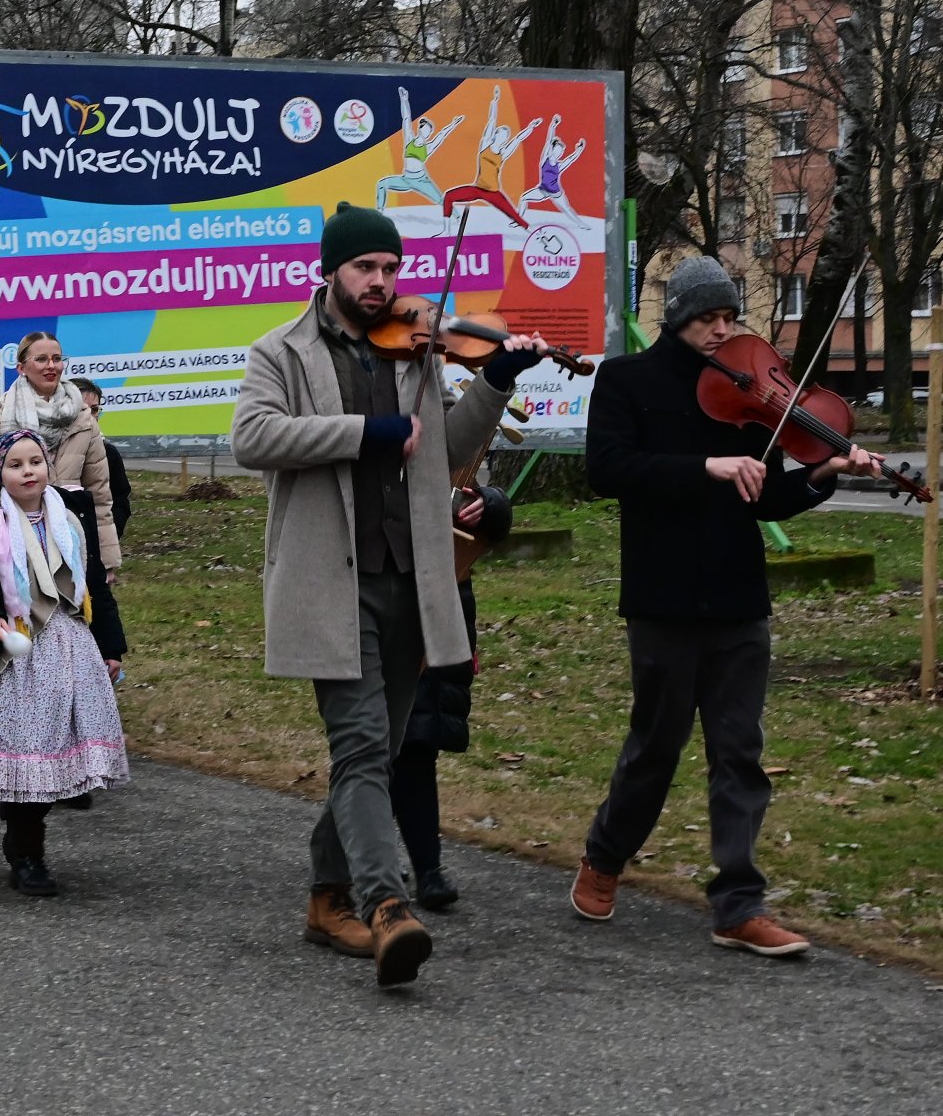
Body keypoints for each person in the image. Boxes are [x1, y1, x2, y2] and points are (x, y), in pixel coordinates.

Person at [229, 203, 547, 987]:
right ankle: (386, 905)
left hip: (413, 579)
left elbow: (446, 449)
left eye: (391, 268)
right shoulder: (282, 351)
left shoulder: (416, 351)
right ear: (330, 270)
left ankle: (325, 894)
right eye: (366, 268)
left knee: (379, 748)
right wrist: (361, 433)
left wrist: (496, 379)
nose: (382, 283)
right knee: (364, 743)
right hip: (327, 583)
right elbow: (253, 438)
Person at [573, 255, 881, 958]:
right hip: (663, 595)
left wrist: (822, 475)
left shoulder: (750, 397)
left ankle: (738, 902)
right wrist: (703, 468)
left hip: (739, 597)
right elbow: (607, 470)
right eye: (709, 318)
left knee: (740, 751)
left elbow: (768, 495)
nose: (722, 330)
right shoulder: (627, 381)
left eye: (729, 318)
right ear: (678, 317)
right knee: (656, 744)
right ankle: (605, 854)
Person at [0, 430, 128, 896]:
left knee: (55, 759)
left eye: (35, 462)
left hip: (68, 646)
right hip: (13, 656)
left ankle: (24, 835)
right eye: (16, 464)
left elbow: (93, 584)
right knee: (26, 760)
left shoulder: (71, 516)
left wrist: (111, 646)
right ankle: (27, 853)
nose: (28, 471)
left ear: (48, 466)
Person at [390, 485, 513, 910]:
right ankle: (379, 858)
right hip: (385, 589)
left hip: (446, 598)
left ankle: (426, 869)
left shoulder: (455, 437)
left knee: (419, 741)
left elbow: (495, 517)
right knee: (377, 742)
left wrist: (490, 506)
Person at [0, 333, 121, 575]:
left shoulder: (84, 421)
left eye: (57, 358)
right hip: (15, 545)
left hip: (71, 541)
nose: (51, 366)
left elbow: (99, 495)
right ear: (21, 367)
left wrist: (107, 561)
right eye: (41, 359)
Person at [441, 85, 542, 230]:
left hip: (494, 193)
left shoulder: (503, 153)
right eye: (500, 133)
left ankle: (538, 235)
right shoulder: (485, 145)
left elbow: (518, 139)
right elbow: (492, 120)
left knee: (515, 216)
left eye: (506, 136)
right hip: (477, 189)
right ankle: (446, 231)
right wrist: (495, 101)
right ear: (495, 135)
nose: (503, 137)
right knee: (449, 196)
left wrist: (531, 127)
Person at [375, 86, 466, 211]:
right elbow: (406, 118)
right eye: (425, 128)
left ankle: (457, 216)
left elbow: (442, 135)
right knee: (382, 184)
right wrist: (404, 100)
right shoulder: (409, 140)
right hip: (406, 179)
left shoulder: (428, 147)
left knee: (440, 199)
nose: (427, 132)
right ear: (420, 129)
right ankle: (380, 211)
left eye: (429, 131)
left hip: (421, 180)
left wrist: (453, 124)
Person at [71, 379, 131, 540]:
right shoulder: (46, 449)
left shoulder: (109, 453)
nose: (90, 416)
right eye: (82, 409)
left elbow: (120, 500)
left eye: (95, 409)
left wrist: (110, 532)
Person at [515, 116, 590, 228]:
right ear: (553, 149)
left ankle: (581, 224)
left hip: (556, 193)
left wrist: (579, 150)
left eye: (562, 151)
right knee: (523, 198)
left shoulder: (559, 165)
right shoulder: (545, 159)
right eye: (558, 149)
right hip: (542, 190)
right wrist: (553, 125)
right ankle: (518, 220)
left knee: (567, 208)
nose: (560, 152)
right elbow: (549, 140)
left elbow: (571, 159)